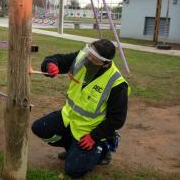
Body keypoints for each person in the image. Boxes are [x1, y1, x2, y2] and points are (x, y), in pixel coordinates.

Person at [31, 39, 130, 179]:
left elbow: (117, 119)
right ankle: (72, 148)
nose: (88, 59)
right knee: (39, 128)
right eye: (88, 53)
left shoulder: (117, 84)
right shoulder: (83, 58)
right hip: (69, 117)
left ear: (104, 63)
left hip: (89, 130)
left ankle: (103, 152)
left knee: (73, 170)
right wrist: (50, 65)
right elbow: (57, 59)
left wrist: (94, 136)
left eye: (93, 58)